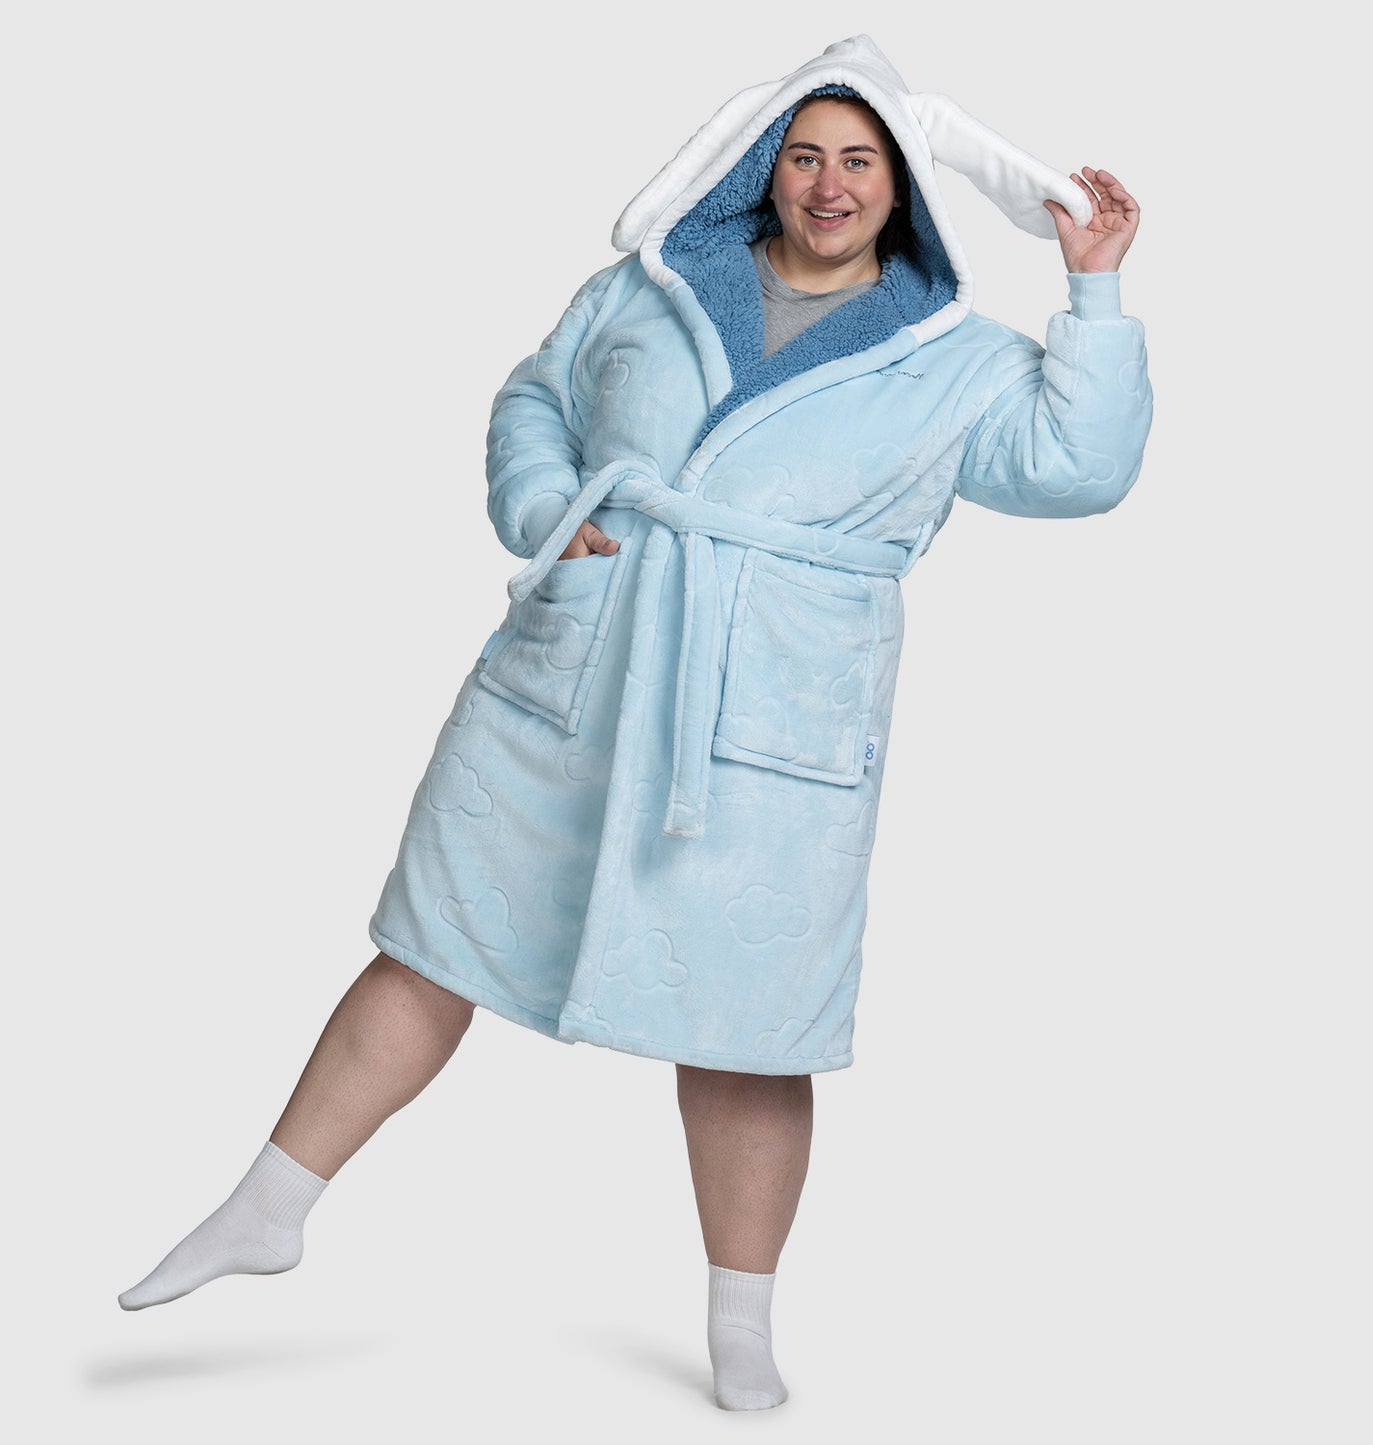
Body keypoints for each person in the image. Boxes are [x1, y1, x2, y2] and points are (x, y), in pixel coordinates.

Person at [118, 35, 1152, 1413]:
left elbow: (1079, 468)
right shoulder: (651, 287)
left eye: (859, 160)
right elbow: (535, 395)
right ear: (763, 167)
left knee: (750, 1024)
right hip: (575, 669)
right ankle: (267, 1207)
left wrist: (1092, 286)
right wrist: (549, 507)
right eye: (803, 155)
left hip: (769, 712)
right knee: (432, 943)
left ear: (903, 185)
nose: (829, 184)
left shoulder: (951, 359)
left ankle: (741, 1320)